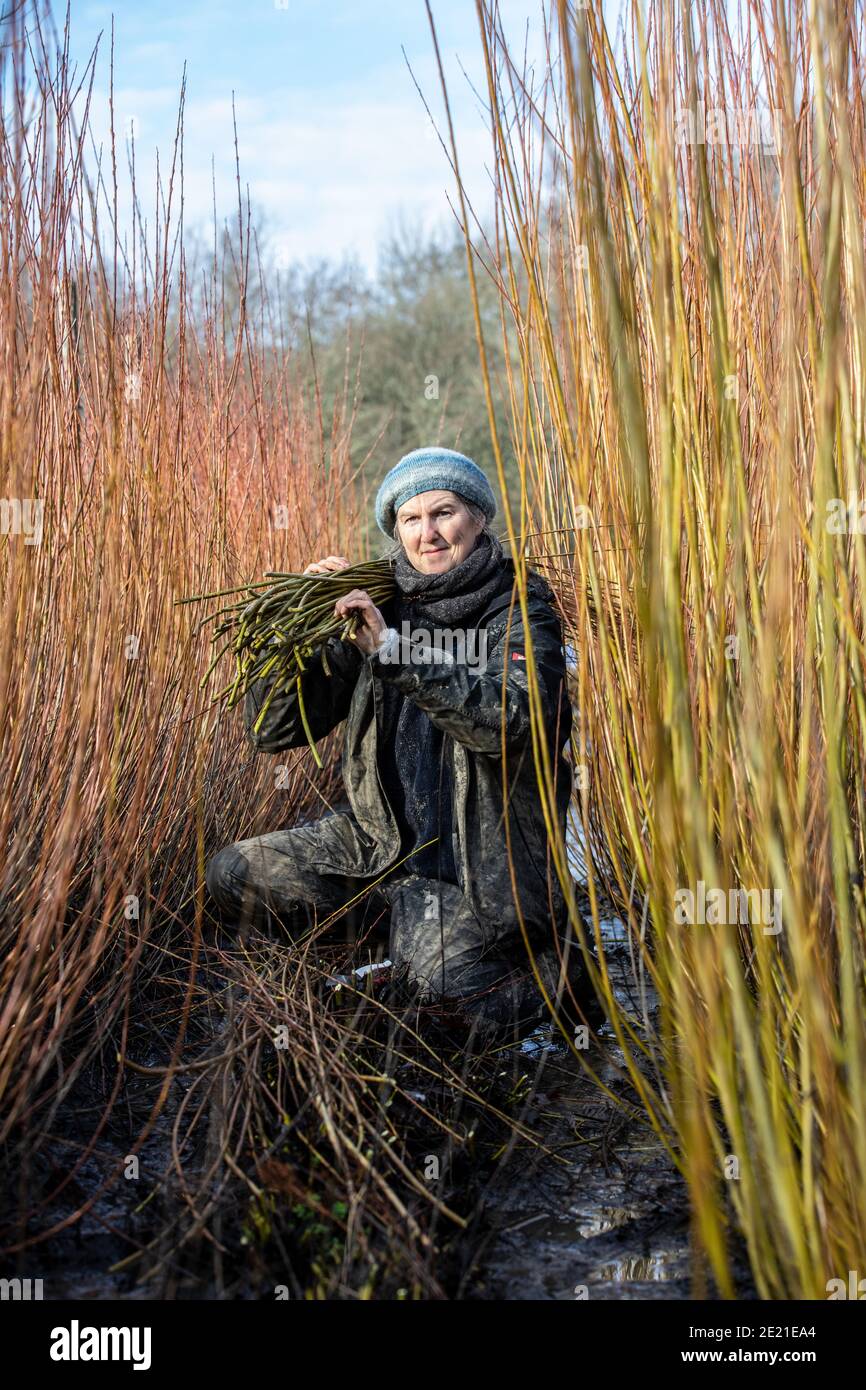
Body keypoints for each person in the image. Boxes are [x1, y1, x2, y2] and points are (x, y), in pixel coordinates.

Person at [206, 446, 589, 1038]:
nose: (428, 533)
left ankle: (541, 969)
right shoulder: (376, 605)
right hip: (378, 851)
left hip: (479, 875)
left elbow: (516, 722)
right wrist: (301, 638)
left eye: (444, 513)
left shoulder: (519, 609)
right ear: (396, 530)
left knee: (451, 1002)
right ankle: (393, 933)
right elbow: (274, 731)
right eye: (411, 519)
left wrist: (394, 655)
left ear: (480, 518)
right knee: (234, 873)